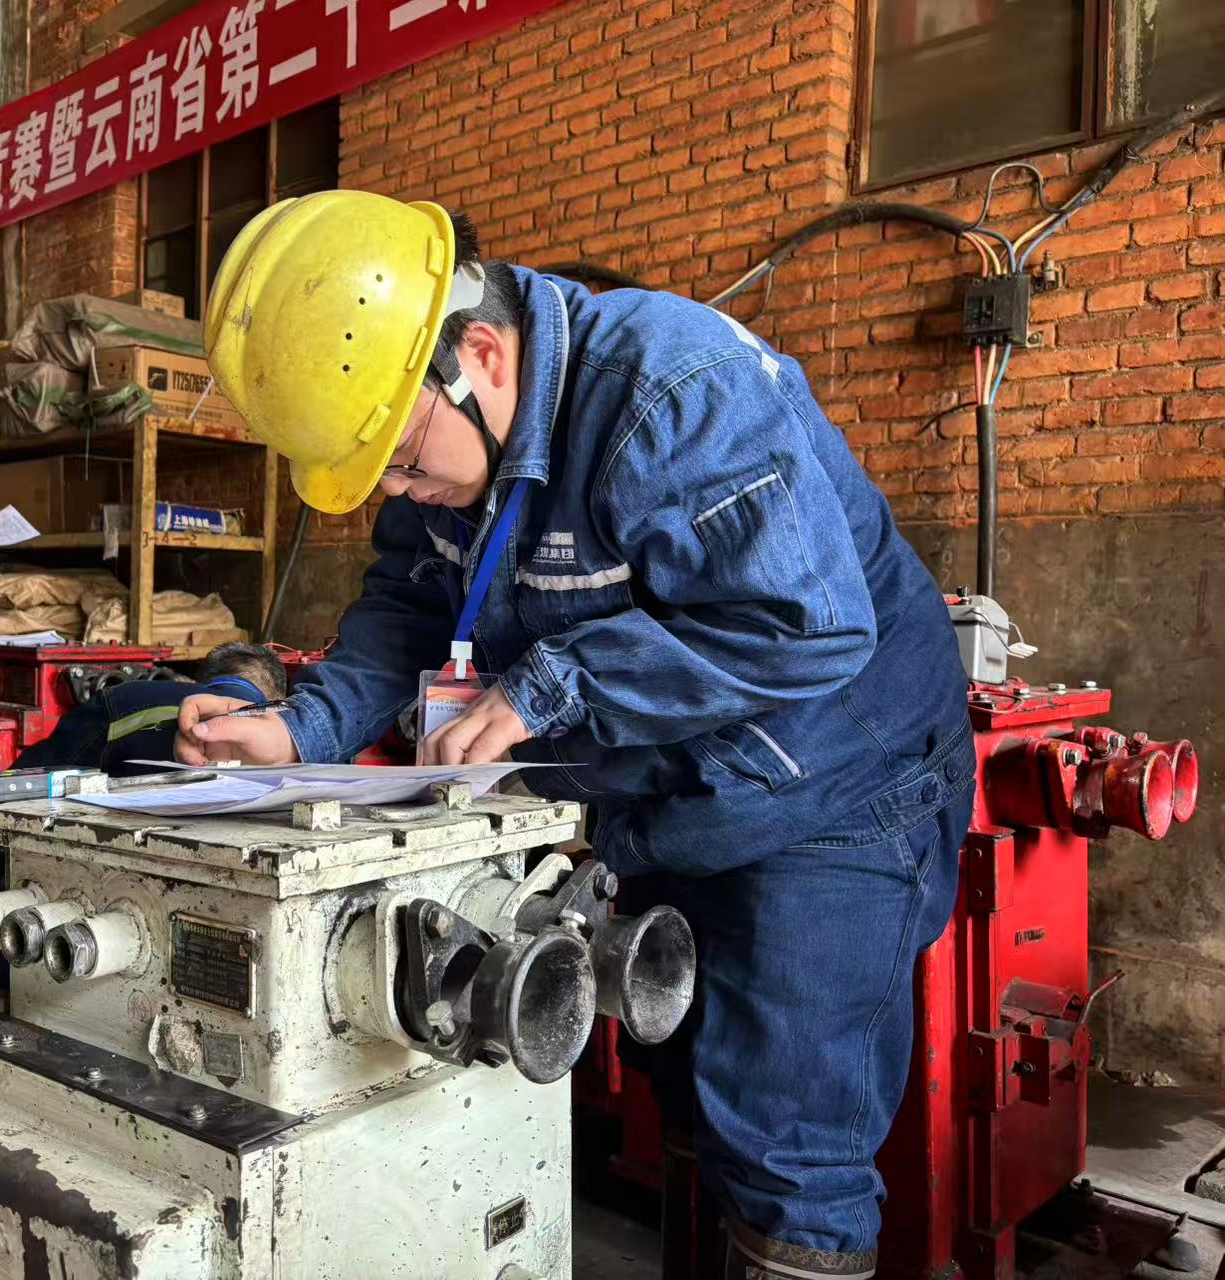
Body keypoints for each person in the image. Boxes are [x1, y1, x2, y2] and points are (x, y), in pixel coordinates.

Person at [174, 190, 976, 1276]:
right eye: (382, 477)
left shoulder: (672, 389)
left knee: (786, 1137)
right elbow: (407, 604)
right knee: (683, 1077)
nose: (402, 491)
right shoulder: (438, 433)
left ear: (482, 355)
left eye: (403, 460)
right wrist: (298, 726)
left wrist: (549, 686)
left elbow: (805, 625)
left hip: (831, 776)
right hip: (668, 788)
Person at [16, 642, 287, 773]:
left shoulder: (125, 700)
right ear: (277, 693)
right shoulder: (296, 738)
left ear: (203, 681)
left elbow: (28, 777)